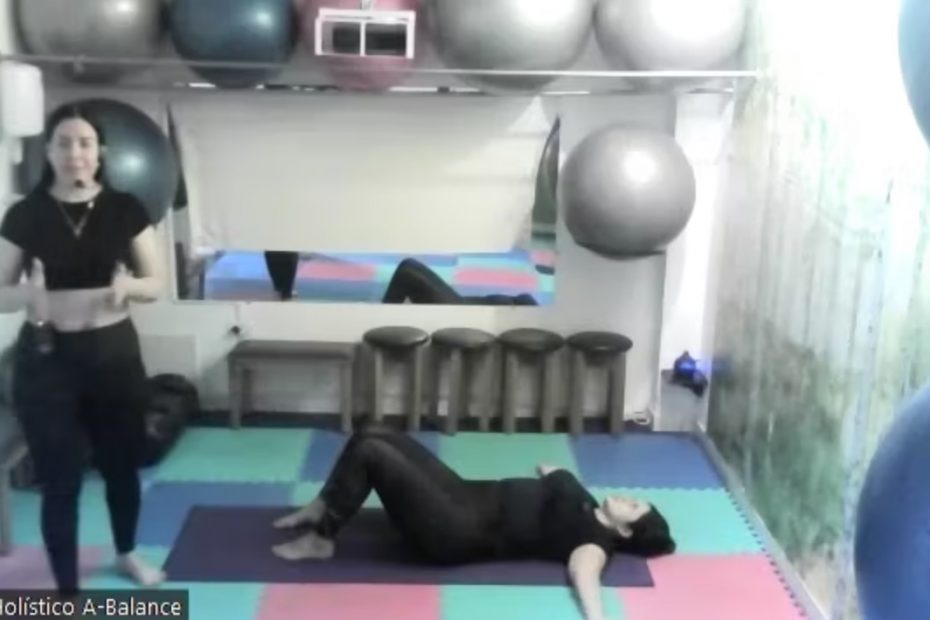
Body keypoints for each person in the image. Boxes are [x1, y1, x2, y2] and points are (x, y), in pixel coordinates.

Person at [0, 104, 166, 596]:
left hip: (113, 356)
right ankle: (67, 590)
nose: (75, 152)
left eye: (85, 142)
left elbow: (155, 282)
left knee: (120, 466)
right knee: (60, 479)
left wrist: (129, 288)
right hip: (47, 360)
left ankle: (127, 552)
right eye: (64, 142)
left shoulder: (125, 208)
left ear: (101, 152)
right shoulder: (25, 214)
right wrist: (27, 294)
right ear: (48, 153)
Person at [271, 424, 675, 620]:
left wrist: (597, 619)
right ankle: (323, 504)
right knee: (372, 432)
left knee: (373, 454)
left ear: (625, 530)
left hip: (455, 529)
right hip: (461, 491)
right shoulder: (586, 501)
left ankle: (321, 539)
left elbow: (585, 578)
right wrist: (554, 476)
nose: (627, 498)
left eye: (633, 508)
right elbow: (551, 470)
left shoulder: (593, 543)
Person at [382, 257, 539, 306]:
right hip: (464, 306)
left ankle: (380, 320)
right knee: (408, 268)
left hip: (461, 313)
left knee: (407, 270)